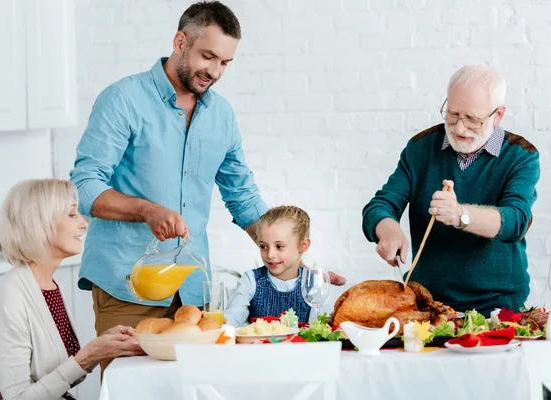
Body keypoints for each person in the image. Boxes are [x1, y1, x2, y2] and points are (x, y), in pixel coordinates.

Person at [69, 1, 345, 372]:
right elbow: (86, 187)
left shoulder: (221, 116)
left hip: (192, 293)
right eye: (208, 56)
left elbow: (243, 197)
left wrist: (290, 257)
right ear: (180, 41)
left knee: (192, 390)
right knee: (130, 390)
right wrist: (147, 210)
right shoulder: (123, 100)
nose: (214, 71)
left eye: (224, 63)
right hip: (127, 288)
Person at [362, 65, 540, 316]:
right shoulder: (420, 148)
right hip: (427, 304)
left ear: (498, 115)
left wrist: (460, 215)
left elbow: (516, 221)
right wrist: (387, 229)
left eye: (472, 119)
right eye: (453, 114)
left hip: (499, 308)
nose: (458, 128)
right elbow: (380, 206)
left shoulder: (521, 155)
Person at [0, 179, 142, 400]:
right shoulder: (11, 297)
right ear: (40, 224)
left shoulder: (48, 284)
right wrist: (89, 354)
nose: (84, 224)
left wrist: (99, 350)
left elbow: (58, 373)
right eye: (72, 214)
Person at [225, 206, 313, 327]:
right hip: (258, 346)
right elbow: (231, 320)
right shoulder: (251, 280)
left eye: (279, 246)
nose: (270, 255)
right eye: (263, 246)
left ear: (303, 245)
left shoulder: (313, 283)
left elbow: (322, 328)